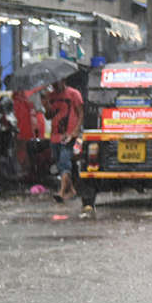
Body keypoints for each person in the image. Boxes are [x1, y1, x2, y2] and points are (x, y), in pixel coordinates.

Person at [43, 79, 84, 209]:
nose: (55, 84)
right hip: (55, 136)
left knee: (64, 161)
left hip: (69, 135)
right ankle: (71, 190)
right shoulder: (51, 96)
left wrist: (75, 131)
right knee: (59, 163)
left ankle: (62, 192)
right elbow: (49, 116)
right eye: (53, 82)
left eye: (57, 82)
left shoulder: (74, 94)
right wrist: (46, 104)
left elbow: (81, 113)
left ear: (63, 80)